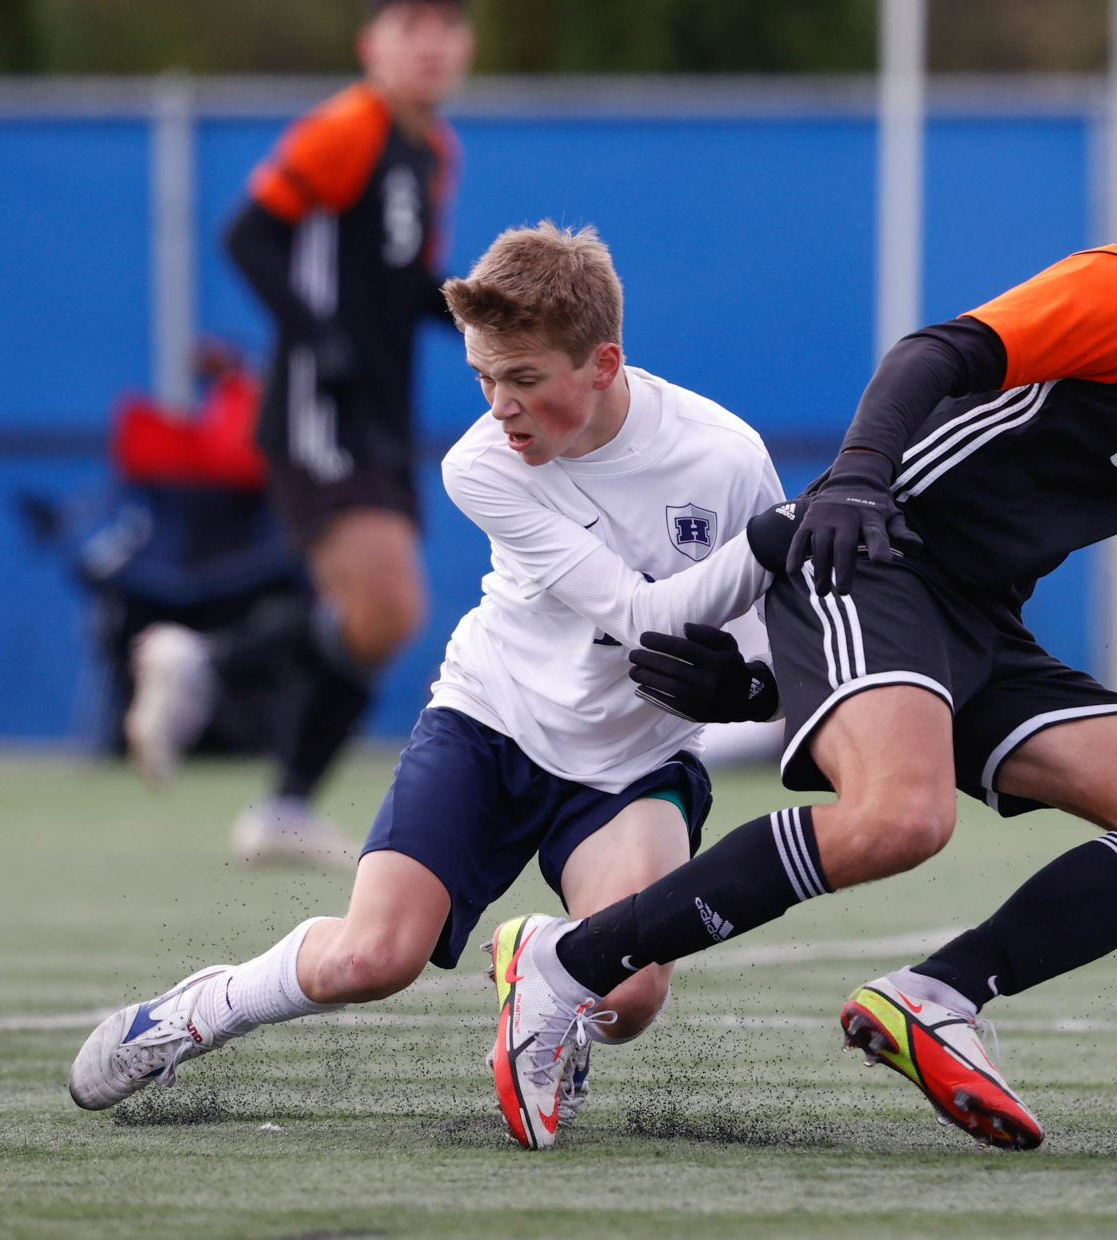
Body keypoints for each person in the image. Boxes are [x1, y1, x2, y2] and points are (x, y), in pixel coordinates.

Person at [486, 63, 1117, 1153]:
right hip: (873, 555)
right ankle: (569, 966)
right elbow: (936, 353)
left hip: (978, 622)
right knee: (902, 819)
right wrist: (856, 479)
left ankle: (941, 994)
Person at [70, 222, 788, 1152]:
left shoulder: (723, 457)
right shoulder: (481, 465)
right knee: (372, 958)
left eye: (524, 379)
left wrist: (756, 682)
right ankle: (195, 1010)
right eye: (483, 377)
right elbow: (637, 615)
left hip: (630, 763)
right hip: (489, 725)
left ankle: (552, 990)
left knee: (631, 998)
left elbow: (779, 631)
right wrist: (783, 533)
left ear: (604, 361)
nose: (499, 407)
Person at [123, 0, 474, 865]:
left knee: (378, 621)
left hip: (382, 411)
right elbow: (246, 234)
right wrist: (319, 339)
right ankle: (202, 666)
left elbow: (397, 282)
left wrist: (478, 311)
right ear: (372, 45)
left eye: (446, 25)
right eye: (408, 24)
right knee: (391, 606)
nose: (429, 43)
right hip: (323, 406)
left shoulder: (433, 150)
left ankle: (277, 793)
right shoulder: (346, 126)